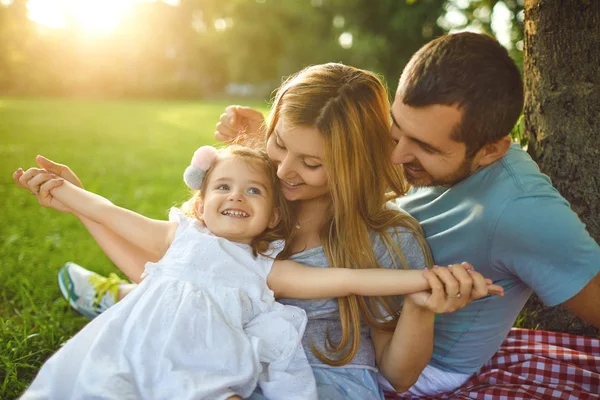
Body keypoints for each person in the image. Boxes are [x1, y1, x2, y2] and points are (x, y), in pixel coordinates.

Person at [14, 63, 496, 399]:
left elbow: (398, 374)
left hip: (324, 381)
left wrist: (421, 307)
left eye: (310, 163)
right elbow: (169, 274)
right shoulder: (254, 203)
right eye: (279, 144)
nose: (284, 169)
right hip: (224, 366)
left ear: (354, 165)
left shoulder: (387, 241)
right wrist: (83, 207)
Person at [218, 32, 600, 396]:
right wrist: (273, 142)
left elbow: (397, 370)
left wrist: (418, 303)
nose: (395, 156)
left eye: (422, 147)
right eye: (395, 130)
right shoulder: (292, 190)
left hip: (406, 361)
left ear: (489, 150)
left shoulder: (525, 213)